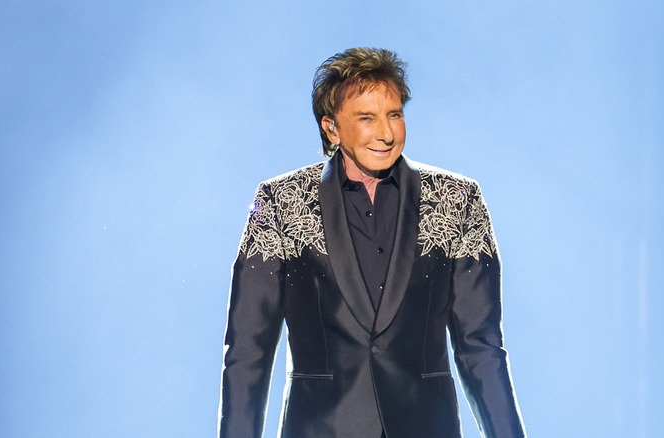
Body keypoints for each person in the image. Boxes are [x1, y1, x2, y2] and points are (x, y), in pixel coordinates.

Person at [218, 47, 526, 438]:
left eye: (394, 114)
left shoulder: (457, 198)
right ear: (332, 128)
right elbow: (248, 352)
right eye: (366, 118)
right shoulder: (280, 201)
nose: (386, 133)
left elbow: (480, 347)